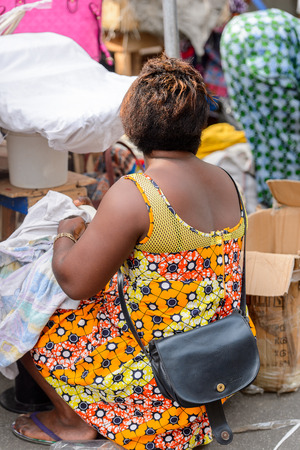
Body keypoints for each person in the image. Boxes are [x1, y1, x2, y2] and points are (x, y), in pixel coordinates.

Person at [12, 54, 253, 449]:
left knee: (24, 303)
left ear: (133, 124)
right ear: (199, 126)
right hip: (214, 371)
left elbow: (75, 282)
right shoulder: (226, 180)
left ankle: (74, 419)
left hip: (156, 385)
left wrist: (66, 232)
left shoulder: (138, 192)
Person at [220, 8, 300, 208]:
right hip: (272, 40)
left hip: (235, 40)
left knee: (263, 130)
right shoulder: (288, 29)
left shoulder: (237, 31)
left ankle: (275, 197)